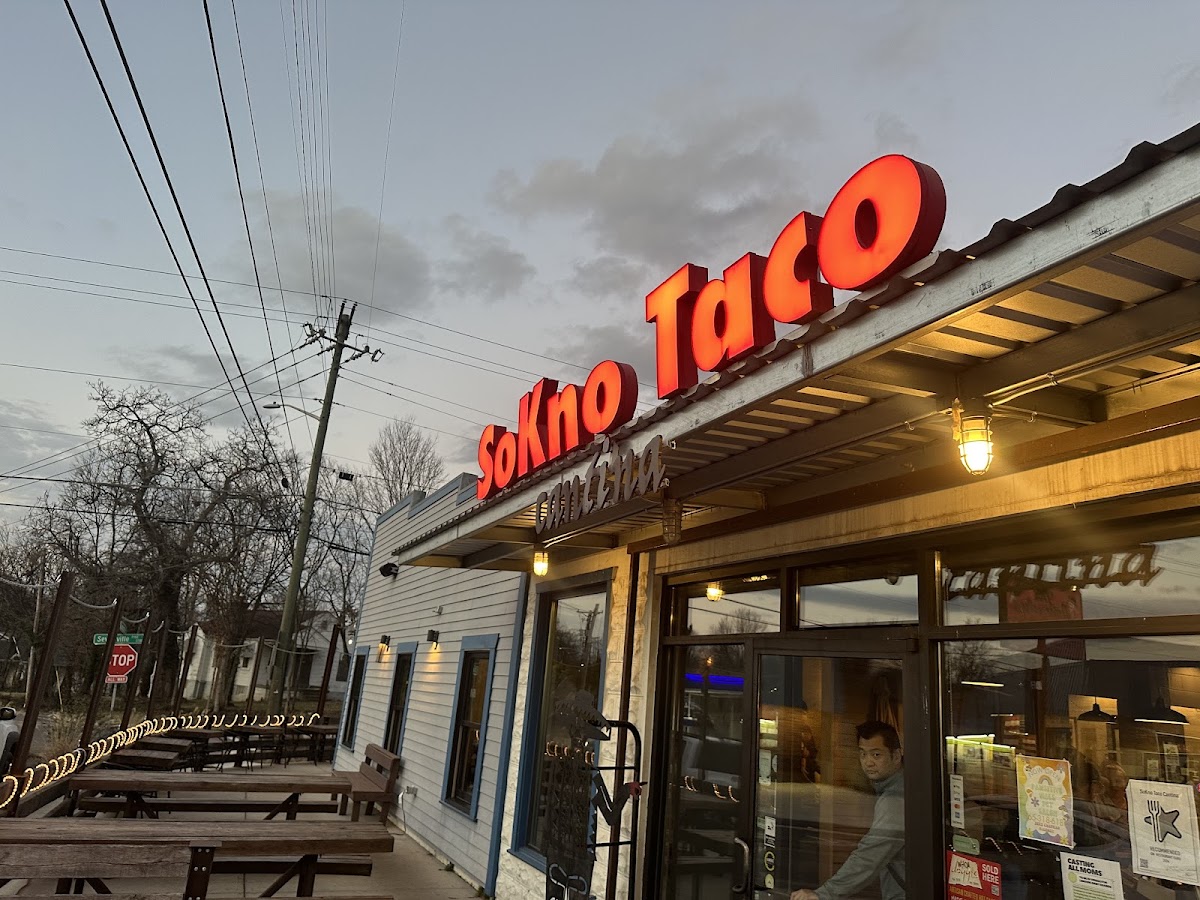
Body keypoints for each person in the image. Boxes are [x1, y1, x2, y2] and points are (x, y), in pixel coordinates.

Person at [791, 721, 905, 900]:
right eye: (863, 754)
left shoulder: (895, 799)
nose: (868, 762)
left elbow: (870, 855)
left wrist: (824, 894)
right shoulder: (891, 789)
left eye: (876, 754)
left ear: (896, 756)